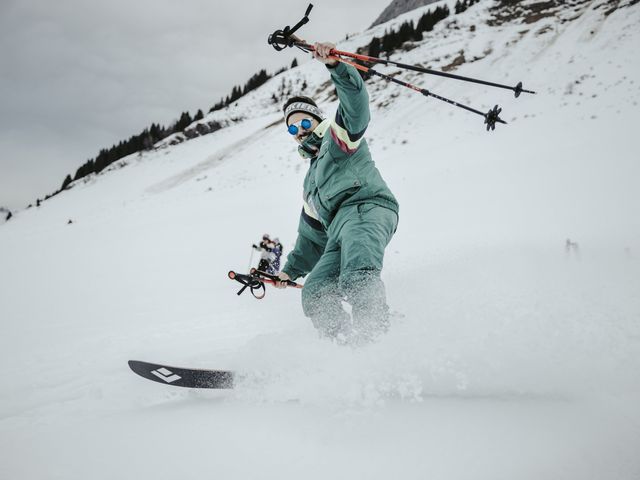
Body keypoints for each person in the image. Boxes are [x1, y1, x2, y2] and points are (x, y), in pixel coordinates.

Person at [276, 41, 399, 344]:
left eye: (304, 122)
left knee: (357, 275)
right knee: (315, 290)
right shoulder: (310, 184)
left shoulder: (337, 138)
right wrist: (289, 272)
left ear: (316, 120)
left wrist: (336, 66)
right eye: (293, 129)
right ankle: (344, 348)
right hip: (337, 232)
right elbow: (311, 236)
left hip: (367, 209)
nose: (300, 131)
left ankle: (378, 344)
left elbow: (356, 106)